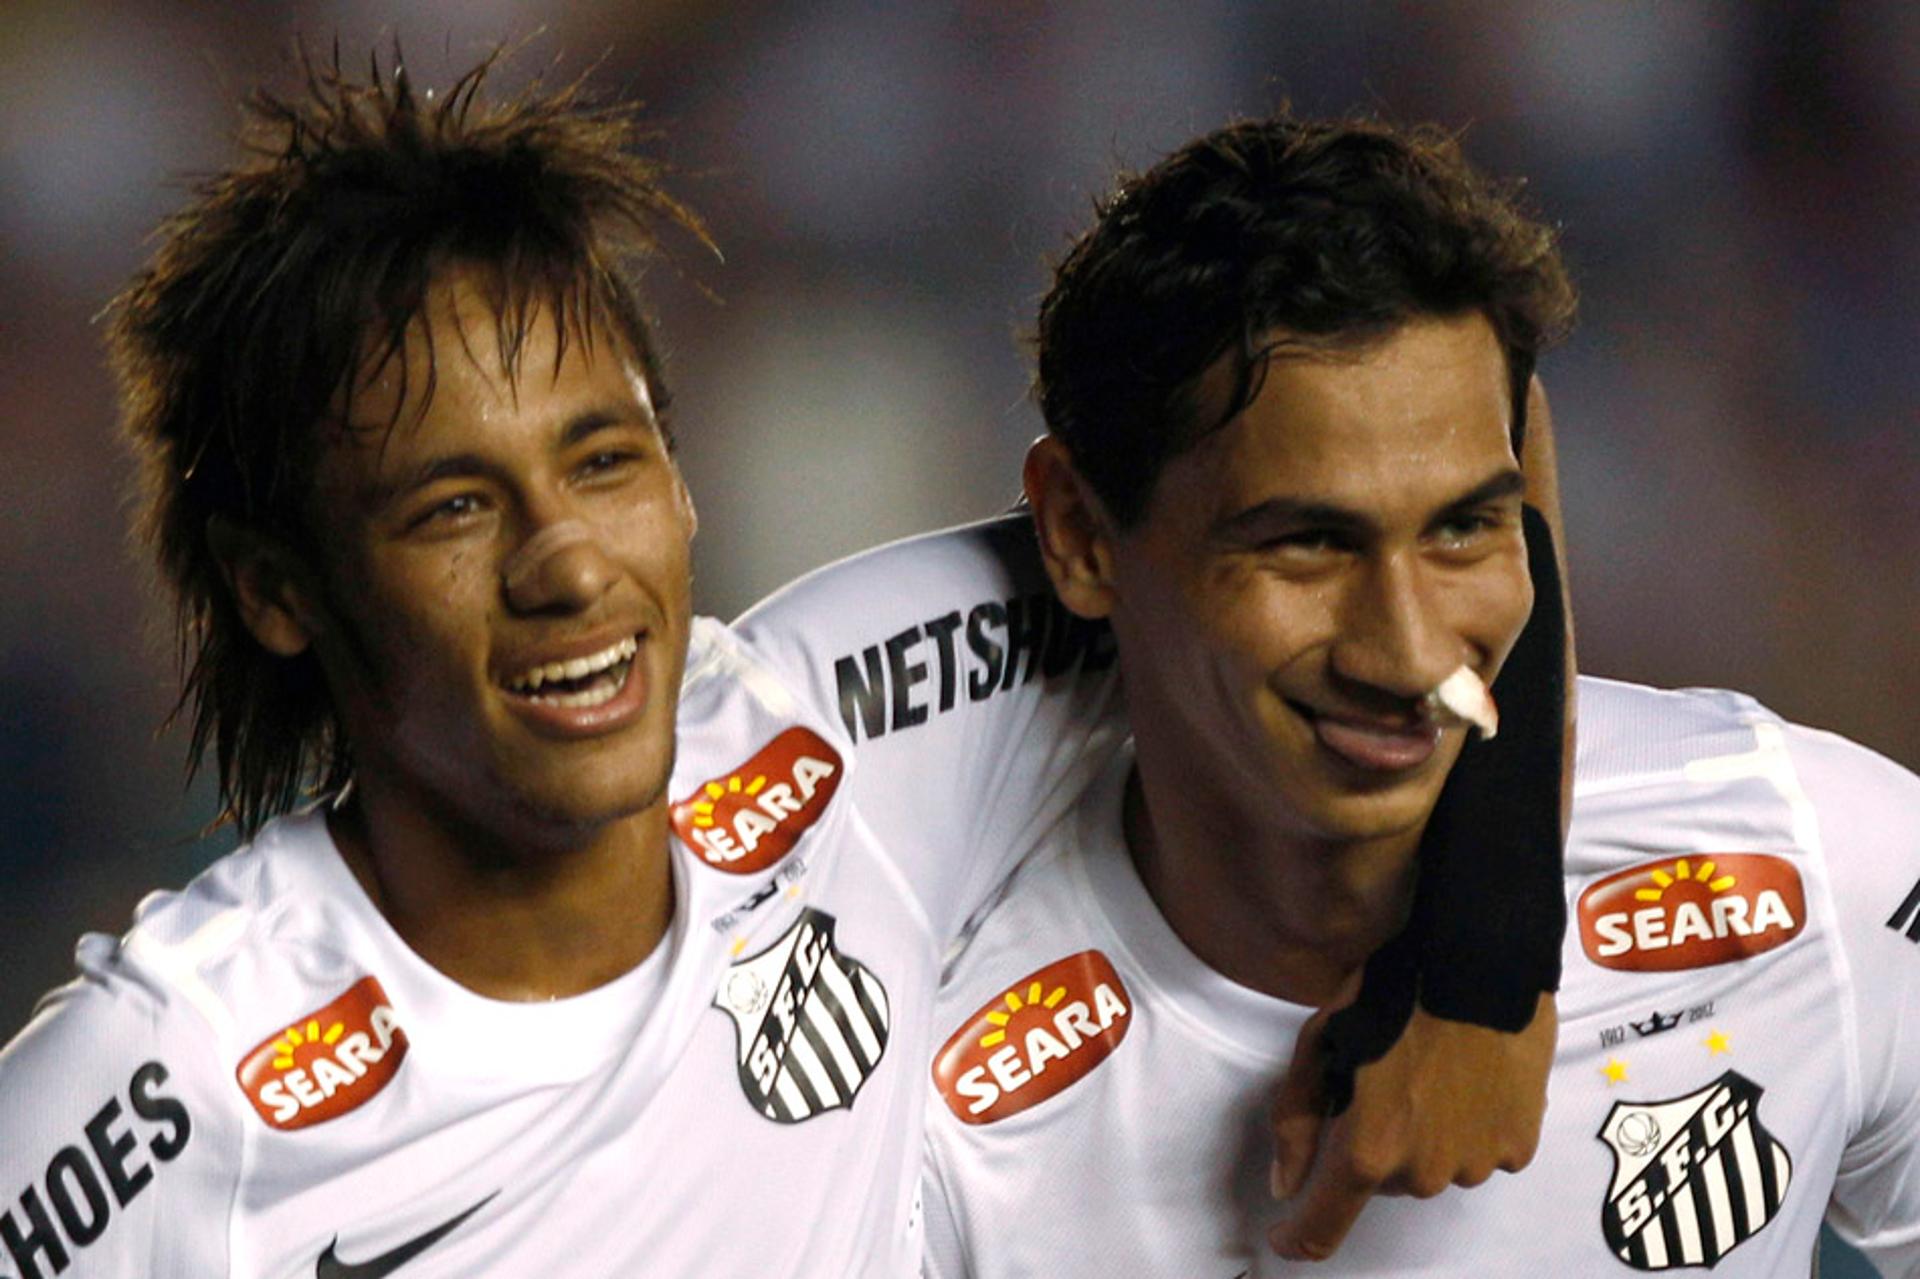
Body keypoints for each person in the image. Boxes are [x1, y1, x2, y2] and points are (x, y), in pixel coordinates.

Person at [0, 55, 1562, 1277]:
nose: (564, 563)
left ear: (683, 481)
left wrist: (1491, 959)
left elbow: (1423, 425)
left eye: (605, 460)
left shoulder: (845, 731)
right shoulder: (175, 1076)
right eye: (455, 506)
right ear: (281, 589)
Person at [916, 115, 1920, 1276]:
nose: (1405, 653)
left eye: (1464, 526)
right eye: (1306, 545)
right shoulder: (928, 1094)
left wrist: (1491, 951)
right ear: (1082, 535)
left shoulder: (1809, 861)